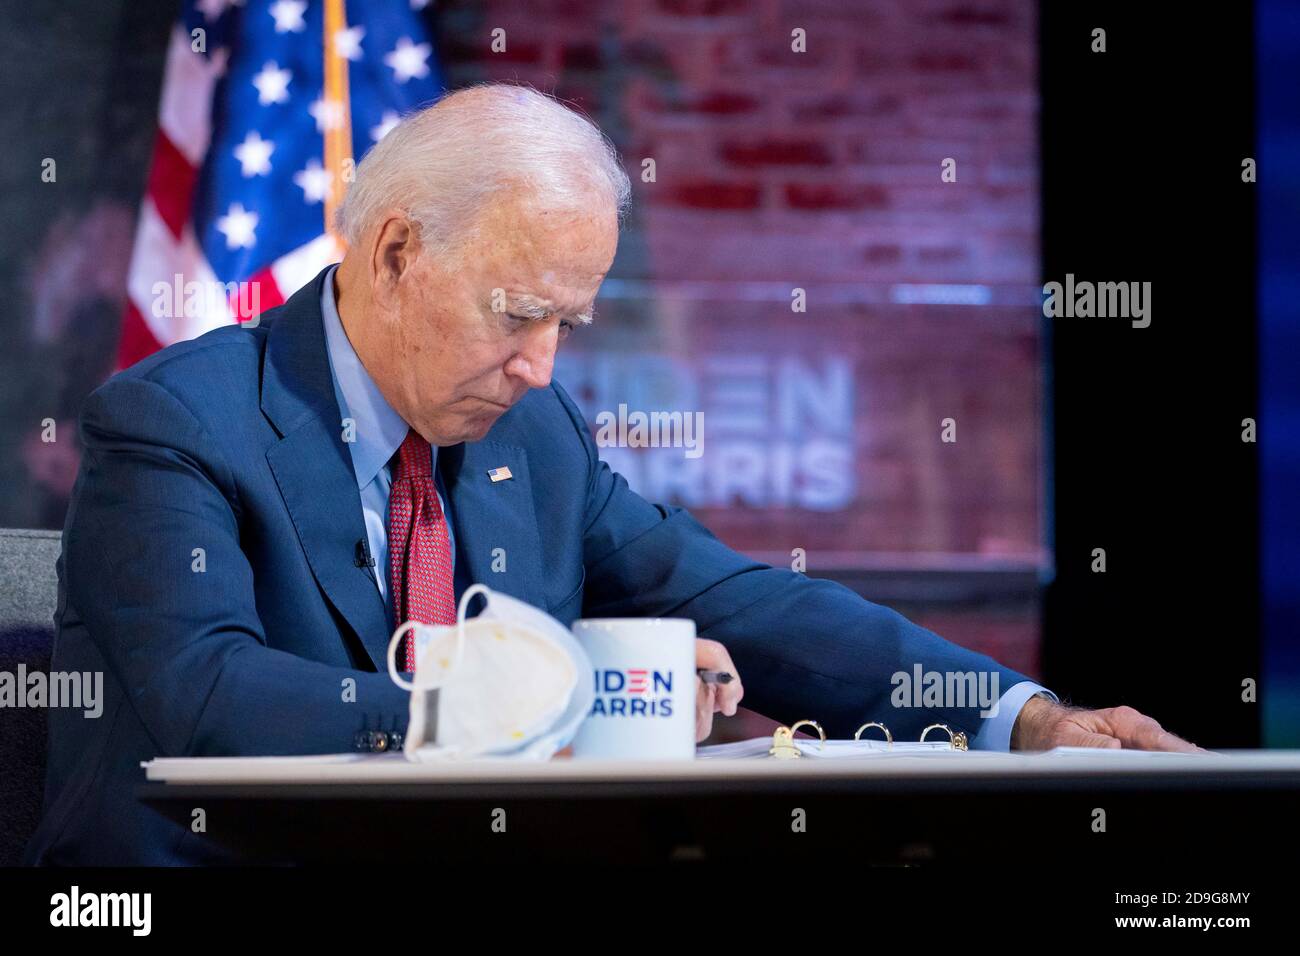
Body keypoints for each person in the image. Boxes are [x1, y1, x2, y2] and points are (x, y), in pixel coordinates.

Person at [26, 84, 1200, 866]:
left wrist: (1019, 719)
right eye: (519, 312)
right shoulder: (175, 420)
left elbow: (748, 602)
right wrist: (546, 711)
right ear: (395, 254)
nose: (542, 366)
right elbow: (209, 693)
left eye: (570, 323)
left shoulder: (534, 436)